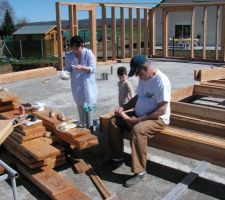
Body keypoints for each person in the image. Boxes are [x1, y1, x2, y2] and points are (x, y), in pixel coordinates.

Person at [105, 54, 171, 188]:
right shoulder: (144, 78)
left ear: (145, 68)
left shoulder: (161, 81)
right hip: (141, 115)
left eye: (137, 73)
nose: (136, 76)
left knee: (138, 130)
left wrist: (139, 120)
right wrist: (123, 107)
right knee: (112, 122)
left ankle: (140, 172)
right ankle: (117, 157)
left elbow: (162, 110)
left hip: (157, 119)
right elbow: (137, 98)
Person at [62, 35, 97, 128]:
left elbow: (93, 69)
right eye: (73, 48)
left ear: (82, 45)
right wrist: (64, 74)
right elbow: (67, 68)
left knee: (88, 108)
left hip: (88, 85)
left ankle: (90, 126)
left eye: (77, 48)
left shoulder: (88, 53)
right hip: (76, 85)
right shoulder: (69, 55)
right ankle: (82, 124)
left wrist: (82, 68)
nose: (75, 50)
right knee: (80, 106)